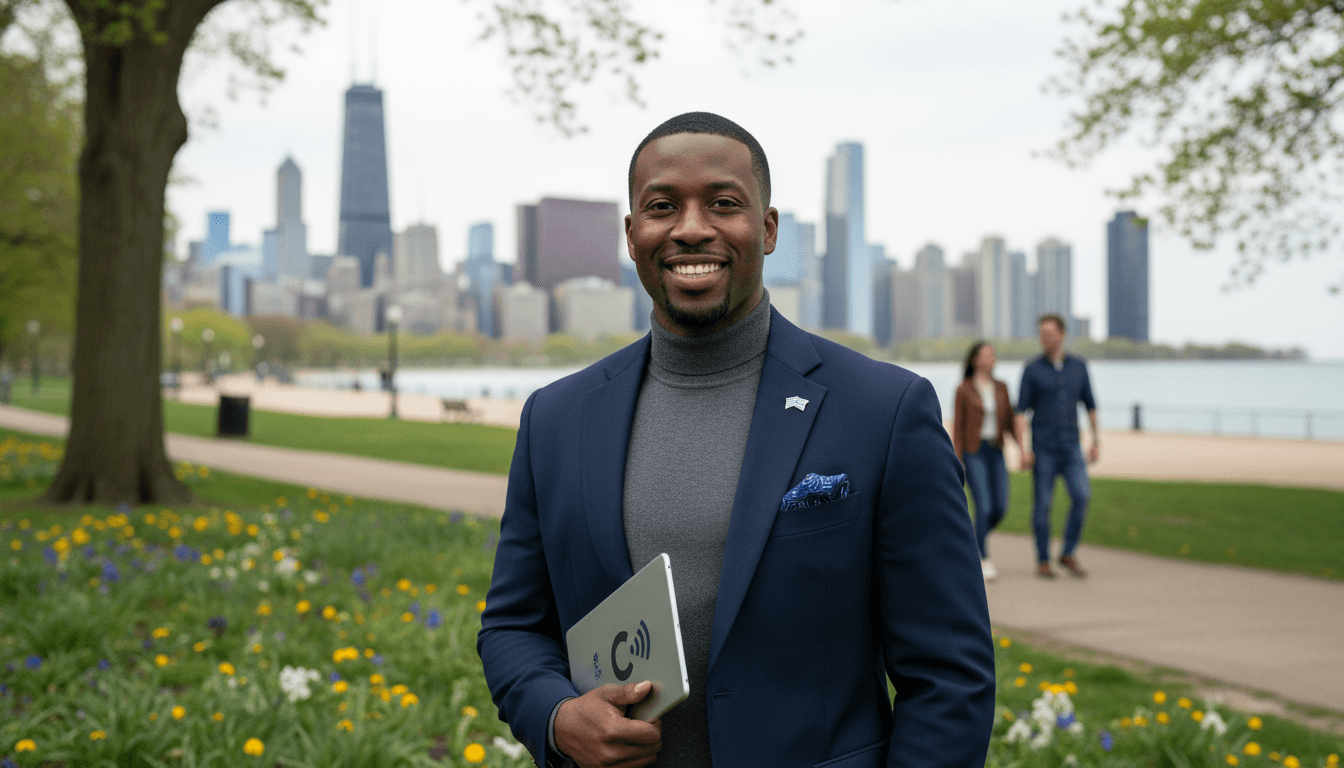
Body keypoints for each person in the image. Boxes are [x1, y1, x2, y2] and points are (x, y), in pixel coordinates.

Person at [477, 112, 995, 768]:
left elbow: (950, 677)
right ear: (632, 235)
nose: (692, 228)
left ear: (768, 228)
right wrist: (554, 716)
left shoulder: (884, 411)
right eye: (663, 206)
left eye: (724, 203)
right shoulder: (556, 419)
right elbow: (514, 626)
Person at [1017, 314, 1099, 579]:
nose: (1045, 339)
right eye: (1042, 334)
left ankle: (1068, 552)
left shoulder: (1079, 367)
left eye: (1049, 334)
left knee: (1082, 496)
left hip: (1072, 447)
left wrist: (1096, 440)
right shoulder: (1031, 369)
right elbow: (1021, 413)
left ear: (1062, 334)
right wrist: (1023, 449)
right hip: (1043, 449)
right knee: (1043, 505)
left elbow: (1090, 405)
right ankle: (1043, 560)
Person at [952, 341, 1023, 583]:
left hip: (996, 451)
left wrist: (1023, 450)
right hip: (975, 453)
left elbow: (1011, 423)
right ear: (975, 360)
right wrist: (956, 460)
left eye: (993, 354)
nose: (992, 358)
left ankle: (969, 544)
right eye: (986, 354)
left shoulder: (1002, 387)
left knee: (1000, 507)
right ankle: (982, 557)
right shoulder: (964, 389)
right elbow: (958, 429)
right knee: (983, 507)